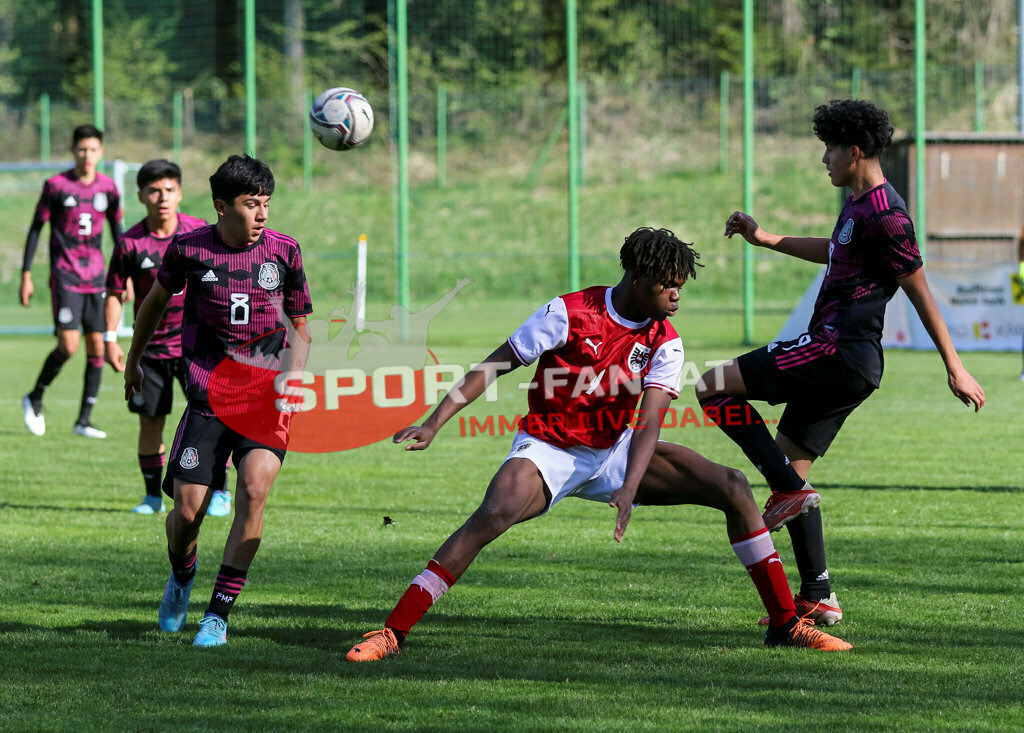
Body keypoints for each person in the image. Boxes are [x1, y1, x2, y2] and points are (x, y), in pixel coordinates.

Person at [345, 227, 852, 663]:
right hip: (548, 449)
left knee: (733, 485)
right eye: (668, 285)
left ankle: (785, 624)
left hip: (616, 450)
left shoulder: (665, 340)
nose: (676, 296)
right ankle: (392, 631)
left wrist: (630, 485)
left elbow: (650, 421)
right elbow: (495, 364)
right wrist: (434, 423)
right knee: (491, 515)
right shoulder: (569, 312)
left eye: (681, 286)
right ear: (637, 278)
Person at [695, 99, 986, 627]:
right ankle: (819, 594)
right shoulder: (857, 205)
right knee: (791, 473)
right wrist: (766, 238)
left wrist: (955, 366)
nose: (823, 159)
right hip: (847, 363)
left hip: (836, 351)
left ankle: (788, 491)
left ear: (854, 152)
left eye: (829, 149)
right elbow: (834, 250)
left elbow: (921, 292)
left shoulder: (888, 215)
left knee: (711, 385)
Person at [123, 154, 312, 647]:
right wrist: (134, 359)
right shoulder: (189, 249)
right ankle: (182, 574)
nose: (262, 214)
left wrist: (294, 378)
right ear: (222, 206)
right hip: (207, 400)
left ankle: (217, 616)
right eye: (252, 204)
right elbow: (153, 303)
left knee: (254, 488)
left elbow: (301, 327)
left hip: (265, 400)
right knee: (186, 515)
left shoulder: (285, 251)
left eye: (267, 203)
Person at [104, 159, 232, 516]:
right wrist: (110, 338)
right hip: (152, 349)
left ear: (180, 194)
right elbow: (114, 293)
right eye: (154, 191)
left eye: (169, 190)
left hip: (199, 347)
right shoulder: (130, 243)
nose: (162, 197)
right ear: (140, 196)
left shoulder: (198, 233)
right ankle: (152, 497)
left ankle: (220, 492)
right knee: (150, 422)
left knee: (212, 418)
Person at [20, 124, 122, 438]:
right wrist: (26, 274)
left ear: (100, 152)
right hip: (65, 277)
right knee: (68, 345)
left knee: (97, 347)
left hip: (97, 279)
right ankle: (35, 396)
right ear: (72, 150)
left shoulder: (108, 188)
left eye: (92, 149)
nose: (86, 155)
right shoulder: (56, 186)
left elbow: (118, 235)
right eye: (81, 149)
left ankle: (84, 421)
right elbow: (35, 229)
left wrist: (124, 276)